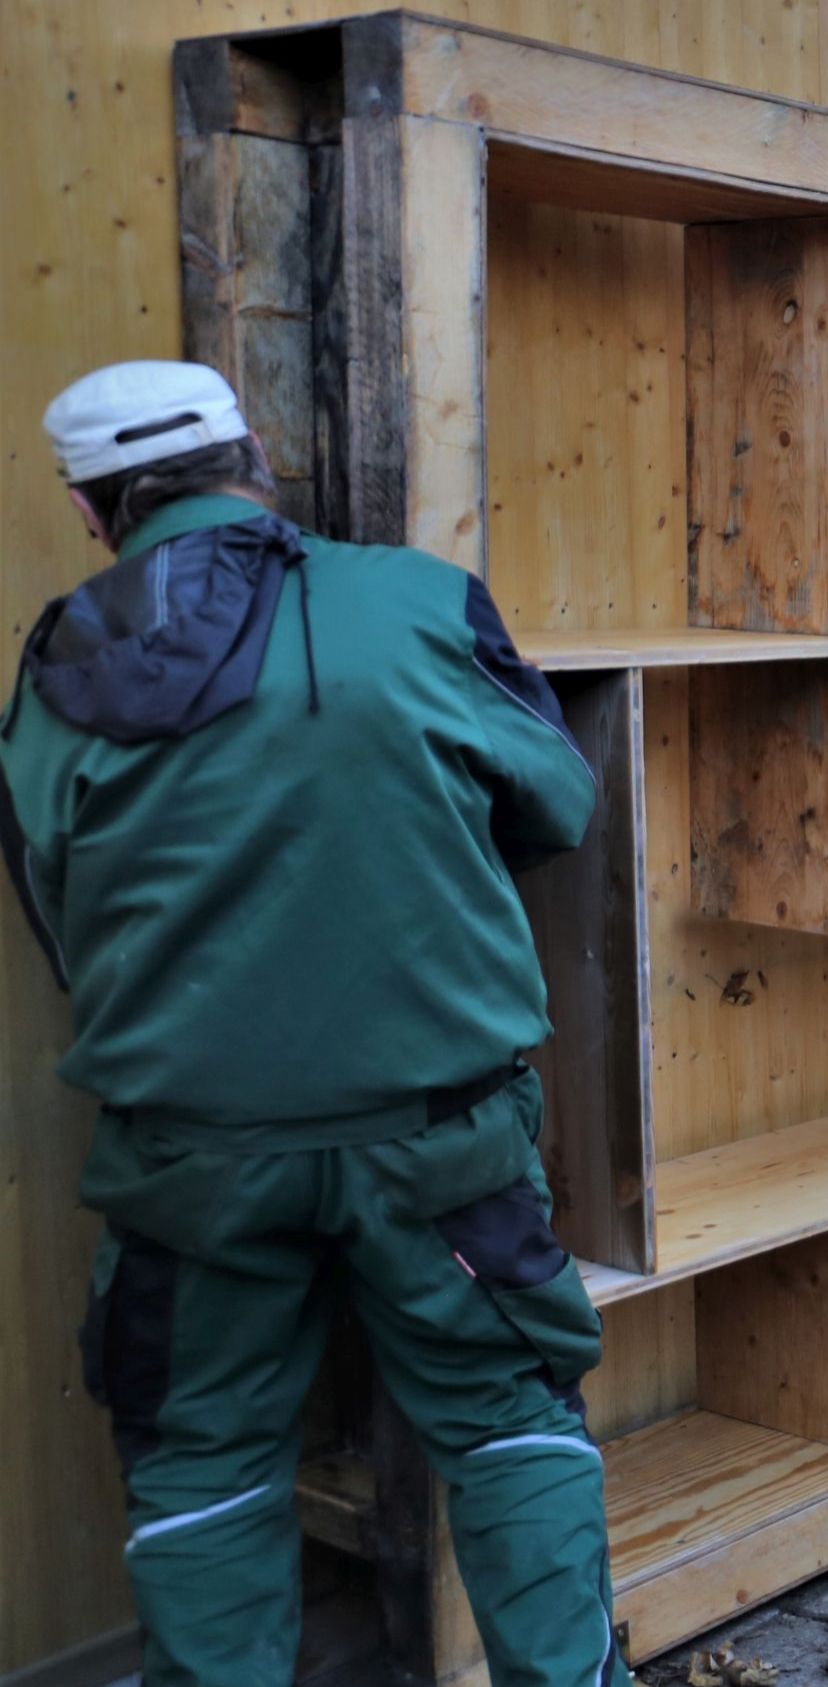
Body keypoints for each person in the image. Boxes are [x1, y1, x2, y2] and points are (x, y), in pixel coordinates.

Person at [0, 362, 623, 1686]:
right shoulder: (415, 601)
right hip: (442, 1142)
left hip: (193, 1162)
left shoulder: (59, 662)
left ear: (88, 506)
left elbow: (60, 909)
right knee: (512, 1417)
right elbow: (557, 803)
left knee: (203, 1456)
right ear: (256, 456)